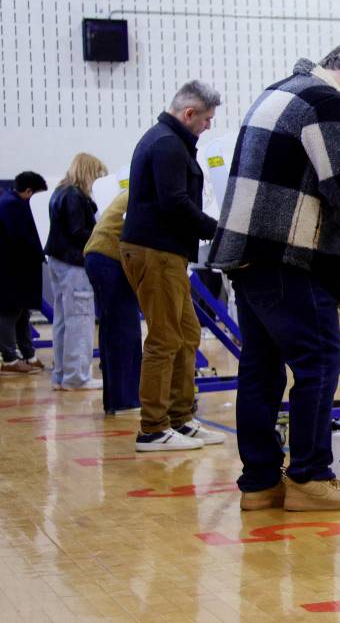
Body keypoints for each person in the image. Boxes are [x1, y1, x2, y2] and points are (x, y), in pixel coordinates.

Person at [209, 45, 340, 513]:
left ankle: (259, 482)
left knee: (261, 369)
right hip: (288, 256)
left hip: (248, 255)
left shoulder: (279, 91)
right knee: (318, 360)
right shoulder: (327, 101)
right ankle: (310, 476)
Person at [121, 81, 226, 452]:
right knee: (165, 339)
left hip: (166, 252)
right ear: (188, 114)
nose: (208, 127)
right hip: (155, 251)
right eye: (207, 119)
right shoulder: (165, 144)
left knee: (187, 334)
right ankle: (152, 428)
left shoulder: (169, 140)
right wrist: (219, 231)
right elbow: (174, 203)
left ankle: (181, 419)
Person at [45, 153, 109, 391]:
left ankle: (62, 374)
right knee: (80, 320)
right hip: (74, 264)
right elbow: (77, 232)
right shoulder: (75, 196)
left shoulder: (60, 191)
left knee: (63, 320)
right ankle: (77, 376)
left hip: (57, 261)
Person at [84, 189, 143, 413]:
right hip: (111, 259)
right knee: (126, 332)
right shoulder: (149, 191)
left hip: (98, 257)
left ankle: (115, 400)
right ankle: (126, 401)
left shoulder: (133, 189)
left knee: (112, 332)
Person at [0, 171, 48, 375]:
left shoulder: (10, 201)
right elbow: (21, 238)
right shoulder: (12, 205)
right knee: (10, 313)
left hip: (19, 270)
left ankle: (29, 355)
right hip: (13, 270)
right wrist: (42, 250)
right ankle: (10, 358)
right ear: (29, 192)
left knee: (22, 313)